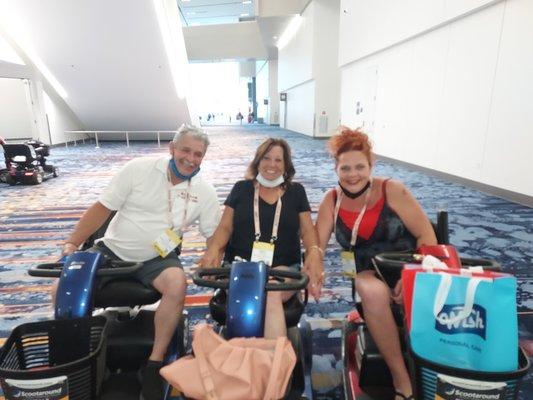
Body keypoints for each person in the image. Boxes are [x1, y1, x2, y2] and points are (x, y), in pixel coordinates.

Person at [57, 124, 221, 400]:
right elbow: (102, 208)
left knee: (177, 284)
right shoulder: (138, 169)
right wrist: (73, 243)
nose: (191, 159)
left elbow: (214, 235)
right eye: (185, 150)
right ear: (172, 148)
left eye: (198, 154)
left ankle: (154, 364)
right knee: (63, 288)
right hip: (111, 250)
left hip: (157, 258)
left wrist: (211, 256)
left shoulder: (204, 192)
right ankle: (77, 361)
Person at [315, 126, 436, 400]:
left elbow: (425, 234)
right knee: (371, 290)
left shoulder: (392, 190)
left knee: (412, 299)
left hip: (406, 265)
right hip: (366, 272)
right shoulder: (331, 200)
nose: (353, 174)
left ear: (371, 165)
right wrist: (314, 269)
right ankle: (401, 380)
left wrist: (414, 277)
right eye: (345, 168)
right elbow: (315, 246)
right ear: (336, 168)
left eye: (360, 166)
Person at [198, 138, 324, 339]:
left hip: (282, 268)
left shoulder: (296, 192)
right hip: (240, 266)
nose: (272, 164)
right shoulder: (241, 188)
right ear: (258, 161)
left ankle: (271, 361)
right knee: (245, 290)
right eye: (266, 158)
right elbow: (225, 227)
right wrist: (213, 250)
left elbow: (308, 231)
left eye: (278, 160)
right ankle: (242, 357)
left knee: (272, 291)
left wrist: (314, 253)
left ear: (286, 165)